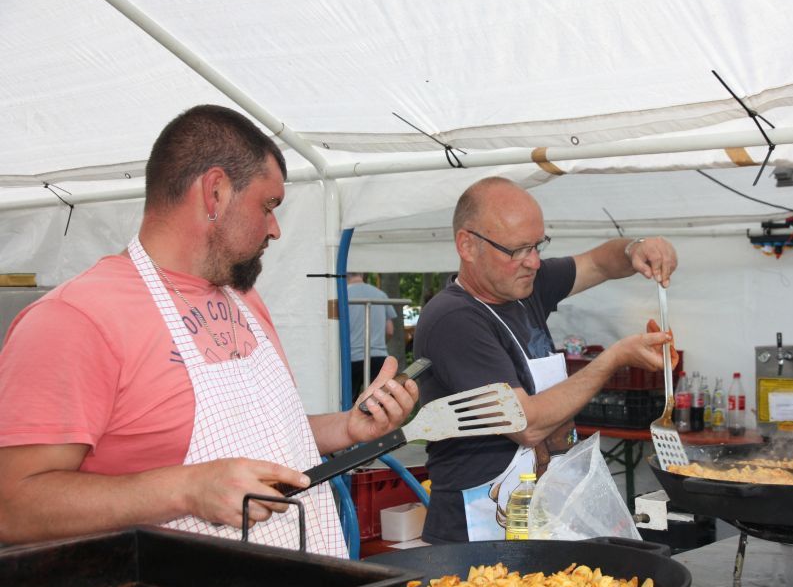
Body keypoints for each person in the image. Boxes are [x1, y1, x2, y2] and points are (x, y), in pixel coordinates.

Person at [0, 105, 418, 556]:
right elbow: (13, 507)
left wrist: (348, 428)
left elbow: (263, 437)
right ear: (215, 192)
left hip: (296, 584)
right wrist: (186, 489)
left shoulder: (244, 299)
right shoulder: (75, 318)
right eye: (268, 206)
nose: (275, 229)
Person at [413, 176, 678, 543]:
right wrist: (613, 359)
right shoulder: (454, 320)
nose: (534, 262)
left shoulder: (525, 288)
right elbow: (526, 425)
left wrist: (636, 248)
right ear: (467, 245)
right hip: (478, 533)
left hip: (541, 516)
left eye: (538, 245)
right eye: (518, 250)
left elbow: (600, 263)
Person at [347, 272, 396, 395]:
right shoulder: (381, 294)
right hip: (379, 357)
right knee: (379, 400)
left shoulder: (341, 295)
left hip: (351, 358)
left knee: (349, 401)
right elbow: (390, 330)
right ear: (362, 274)